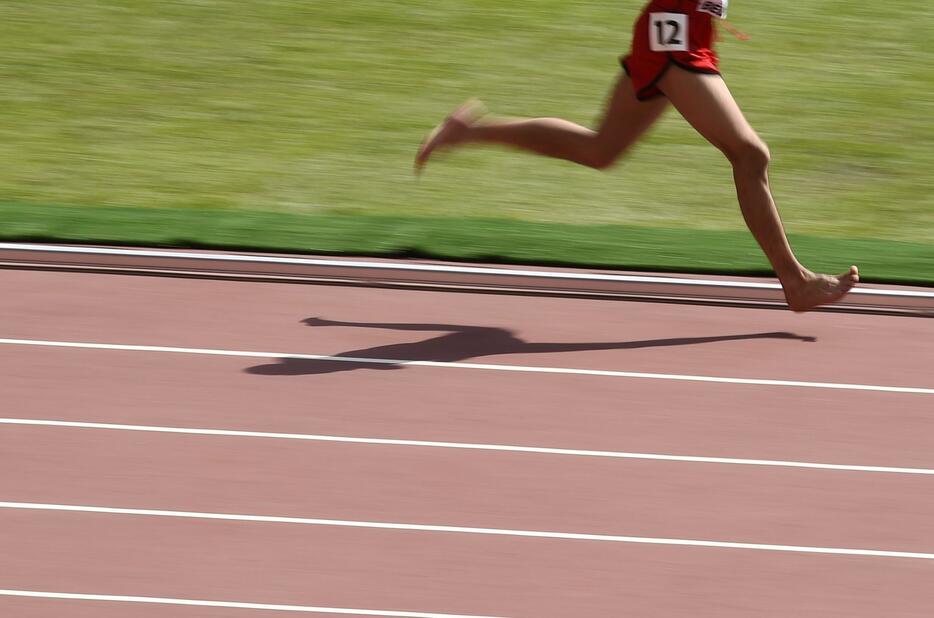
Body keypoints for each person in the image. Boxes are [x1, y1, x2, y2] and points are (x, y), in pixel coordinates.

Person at [415, 0, 859, 312]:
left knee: (600, 150)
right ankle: (795, 282)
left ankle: (468, 132)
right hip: (674, 35)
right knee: (750, 155)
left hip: (681, 32)